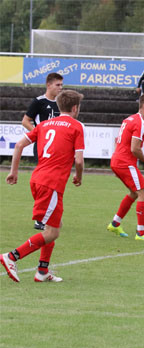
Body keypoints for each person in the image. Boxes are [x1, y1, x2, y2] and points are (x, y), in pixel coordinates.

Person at [1, 90, 85, 283]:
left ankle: (42, 271)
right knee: (52, 231)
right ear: (74, 108)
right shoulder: (77, 126)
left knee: (55, 225)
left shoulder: (45, 124)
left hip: (38, 178)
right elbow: (79, 161)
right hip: (51, 183)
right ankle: (12, 256)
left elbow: (19, 145)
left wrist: (14, 171)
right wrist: (78, 176)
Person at [106, 93, 144, 242]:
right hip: (124, 162)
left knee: (134, 193)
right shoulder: (140, 123)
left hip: (118, 160)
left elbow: (121, 142)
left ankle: (115, 224)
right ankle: (141, 233)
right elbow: (134, 149)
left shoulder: (129, 119)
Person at [21, 72, 64, 230]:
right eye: (57, 85)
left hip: (57, 149)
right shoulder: (39, 102)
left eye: (61, 85)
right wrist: (38, 133)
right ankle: (40, 218)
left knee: (53, 182)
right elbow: (25, 120)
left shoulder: (61, 104)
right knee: (44, 182)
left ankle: (50, 215)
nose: (60, 88)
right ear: (48, 85)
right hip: (42, 147)